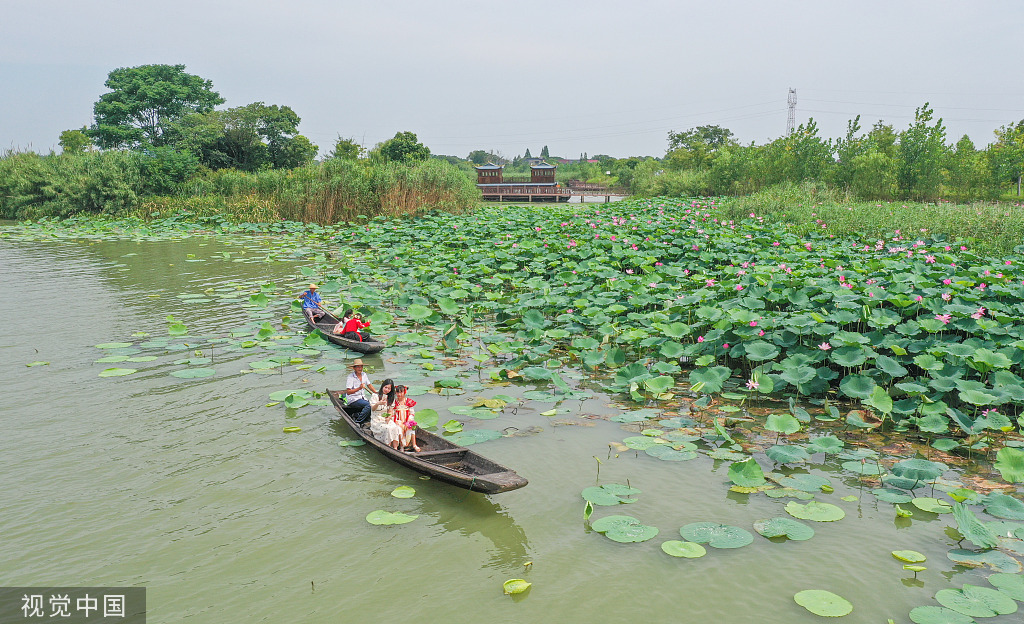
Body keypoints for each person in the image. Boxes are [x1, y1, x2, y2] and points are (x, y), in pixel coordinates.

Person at [343, 359, 376, 424]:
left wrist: (376, 393)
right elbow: (348, 392)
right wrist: (359, 388)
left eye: (361, 367)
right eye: (358, 367)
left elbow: (369, 385)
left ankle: (357, 415)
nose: (360, 368)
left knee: (374, 405)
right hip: (353, 399)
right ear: (354, 368)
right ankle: (358, 421)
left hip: (362, 398)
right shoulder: (351, 377)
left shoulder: (364, 374)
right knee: (368, 405)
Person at [388, 385, 420, 452]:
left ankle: (414, 445)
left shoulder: (409, 401)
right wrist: (397, 421)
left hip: (407, 420)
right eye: (398, 392)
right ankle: (402, 446)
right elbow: (392, 414)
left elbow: (412, 413)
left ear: (404, 392)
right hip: (398, 421)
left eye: (401, 392)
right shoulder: (394, 402)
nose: (399, 394)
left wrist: (409, 420)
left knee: (411, 428)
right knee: (399, 429)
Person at [369, 378, 396, 444]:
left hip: (385, 419)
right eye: (385, 387)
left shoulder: (391, 398)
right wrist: (378, 403)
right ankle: (387, 444)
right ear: (382, 386)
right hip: (376, 420)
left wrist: (389, 417)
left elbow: (390, 411)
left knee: (395, 427)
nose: (386, 390)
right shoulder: (375, 396)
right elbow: (373, 409)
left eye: (389, 388)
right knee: (387, 428)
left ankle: (394, 446)